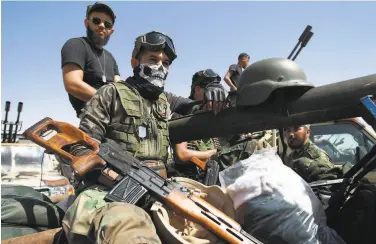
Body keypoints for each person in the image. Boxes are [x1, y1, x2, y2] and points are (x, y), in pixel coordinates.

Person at [61, 30, 227, 244]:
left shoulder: (164, 100)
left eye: (166, 63)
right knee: (130, 228)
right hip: (110, 191)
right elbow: (81, 146)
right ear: (134, 62)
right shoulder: (110, 93)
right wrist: (111, 175)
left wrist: (214, 90)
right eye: (153, 59)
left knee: (214, 216)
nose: (160, 67)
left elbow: (197, 107)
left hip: (159, 187)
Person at [61, 2, 121, 118]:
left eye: (107, 24)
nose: (102, 26)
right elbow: (72, 84)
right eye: (96, 20)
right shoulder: (76, 45)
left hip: (115, 118)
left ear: (111, 31)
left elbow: (119, 87)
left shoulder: (110, 57)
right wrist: (112, 105)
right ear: (86, 22)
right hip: (92, 118)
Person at [171, 69, 221, 181]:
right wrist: (212, 153)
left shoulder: (209, 115)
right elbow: (182, 154)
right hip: (190, 179)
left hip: (210, 175)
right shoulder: (183, 115)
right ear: (197, 90)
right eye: (211, 91)